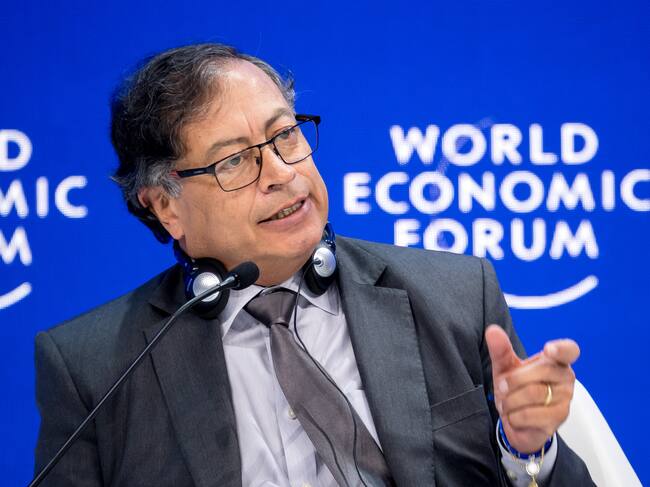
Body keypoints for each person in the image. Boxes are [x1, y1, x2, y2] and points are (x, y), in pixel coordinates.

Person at [34, 43, 594, 486]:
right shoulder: (95, 367)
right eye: (234, 161)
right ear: (165, 206)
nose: (282, 173)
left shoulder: (454, 296)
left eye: (286, 135)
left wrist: (527, 451)